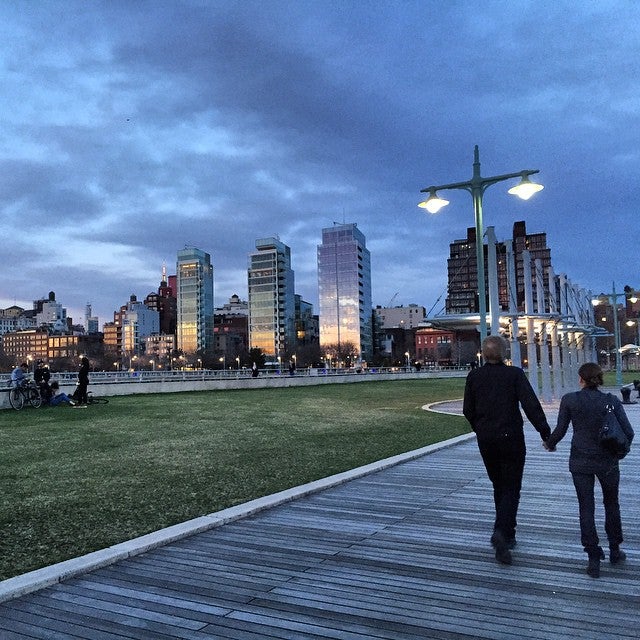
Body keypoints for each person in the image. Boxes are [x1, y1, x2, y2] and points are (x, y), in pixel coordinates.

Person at [463, 335, 551, 565]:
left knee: (499, 485)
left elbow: (467, 409)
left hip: (487, 440)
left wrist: (480, 428)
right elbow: (530, 404)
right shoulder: (514, 375)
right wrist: (545, 432)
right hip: (510, 437)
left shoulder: (474, 376)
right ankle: (503, 532)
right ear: (504, 353)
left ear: (484, 353)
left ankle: (507, 533)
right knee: (511, 487)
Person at [544, 362, 634, 578]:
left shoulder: (570, 400)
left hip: (580, 460)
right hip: (607, 461)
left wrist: (550, 443)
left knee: (586, 507)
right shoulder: (611, 401)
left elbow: (561, 429)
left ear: (581, 379)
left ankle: (593, 557)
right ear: (600, 379)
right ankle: (614, 549)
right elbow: (628, 432)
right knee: (611, 503)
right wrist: (618, 453)